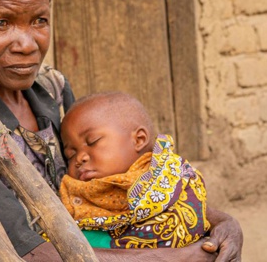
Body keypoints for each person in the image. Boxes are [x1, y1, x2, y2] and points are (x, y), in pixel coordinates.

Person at [0, 0, 243, 261]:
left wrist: (219, 222)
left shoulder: (50, 87)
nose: (26, 44)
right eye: (2, 23)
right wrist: (171, 258)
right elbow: (27, 251)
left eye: (39, 20)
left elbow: (109, 185)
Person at [59, 91, 210, 249]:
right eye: (70, 154)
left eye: (92, 141)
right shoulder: (73, 202)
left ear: (139, 140)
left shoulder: (176, 179)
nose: (79, 158)